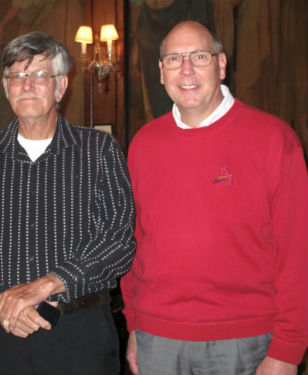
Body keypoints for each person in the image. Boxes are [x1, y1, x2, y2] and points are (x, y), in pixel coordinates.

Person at [121, 20, 308, 375]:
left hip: (247, 341)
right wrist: (134, 325)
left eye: (199, 56)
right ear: (161, 72)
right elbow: (136, 243)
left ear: (221, 65)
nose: (186, 69)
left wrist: (288, 349)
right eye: (174, 59)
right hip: (157, 338)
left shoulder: (274, 139)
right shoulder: (143, 144)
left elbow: (298, 252)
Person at [0, 31, 136, 374]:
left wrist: (46, 285)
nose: (27, 85)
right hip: (0, 333)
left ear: (61, 86)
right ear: (5, 88)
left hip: (80, 336)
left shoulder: (100, 151)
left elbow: (118, 242)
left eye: (39, 75)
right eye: (17, 76)